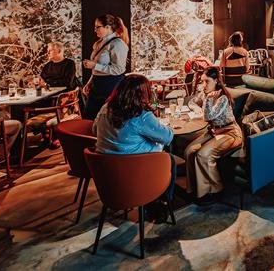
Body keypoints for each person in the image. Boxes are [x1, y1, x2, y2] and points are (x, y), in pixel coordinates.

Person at [93, 74, 176, 219]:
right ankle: (158, 203)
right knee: (170, 160)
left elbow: (94, 130)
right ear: (142, 94)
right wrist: (161, 124)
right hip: (136, 171)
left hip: (108, 174)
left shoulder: (105, 108)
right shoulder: (141, 116)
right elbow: (168, 137)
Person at [184, 66, 243, 204]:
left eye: (207, 82)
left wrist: (208, 100)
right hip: (213, 131)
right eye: (202, 81)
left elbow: (208, 116)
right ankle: (195, 189)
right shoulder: (205, 93)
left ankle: (215, 190)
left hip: (230, 133)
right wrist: (201, 105)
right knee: (189, 151)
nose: (203, 85)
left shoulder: (222, 96)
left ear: (216, 80)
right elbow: (191, 102)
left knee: (203, 154)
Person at [82, 14, 129, 121]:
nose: (95, 30)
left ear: (108, 27)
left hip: (111, 85)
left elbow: (119, 69)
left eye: (98, 27)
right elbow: (97, 68)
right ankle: (89, 138)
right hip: (97, 85)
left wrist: (94, 65)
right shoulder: (99, 43)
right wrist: (90, 82)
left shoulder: (118, 44)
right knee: (89, 118)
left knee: (107, 119)